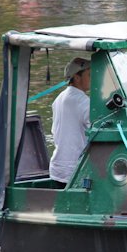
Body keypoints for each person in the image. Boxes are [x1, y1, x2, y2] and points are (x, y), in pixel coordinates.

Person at [49, 58, 91, 187]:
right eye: (89, 75)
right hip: (74, 170)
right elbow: (100, 129)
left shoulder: (59, 98)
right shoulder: (83, 101)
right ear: (77, 77)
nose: (93, 78)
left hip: (57, 169)